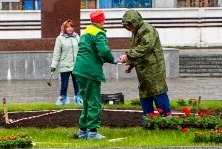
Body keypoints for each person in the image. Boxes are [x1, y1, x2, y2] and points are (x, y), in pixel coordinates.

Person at [72, 10, 118, 140]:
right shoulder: (99, 33)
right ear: (102, 21)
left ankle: (82, 131)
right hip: (90, 71)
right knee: (94, 101)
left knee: (87, 101)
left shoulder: (87, 31)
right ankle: (92, 132)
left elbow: (89, 50)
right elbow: (103, 50)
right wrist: (112, 59)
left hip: (79, 69)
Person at [118, 9, 171, 117]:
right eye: (126, 26)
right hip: (143, 69)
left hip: (154, 68)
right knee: (145, 92)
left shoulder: (147, 30)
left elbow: (146, 47)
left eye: (129, 25)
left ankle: (166, 117)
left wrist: (127, 56)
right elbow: (135, 48)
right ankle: (148, 116)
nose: (128, 28)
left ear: (135, 21)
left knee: (158, 91)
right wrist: (131, 64)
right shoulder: (136, 32)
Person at [50, 19, 82, 106]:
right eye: (68, 27)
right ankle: (62, 101)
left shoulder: (77, 37)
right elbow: (56, 54)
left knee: (78, 85)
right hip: (65, 66)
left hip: (76, 66)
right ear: (64, 28)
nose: (70, 28)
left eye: (71, 26)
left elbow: (82, 51)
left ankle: (79, 101)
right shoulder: (60, 39)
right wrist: (53, 66)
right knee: (64, 85)